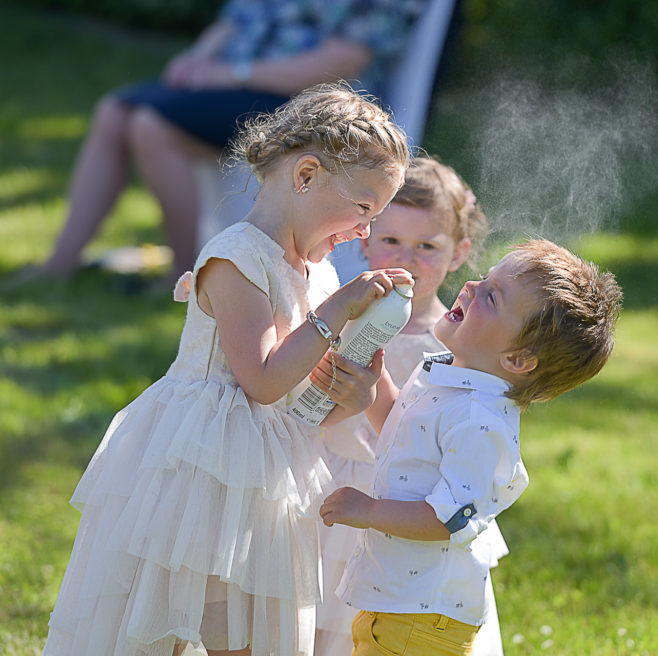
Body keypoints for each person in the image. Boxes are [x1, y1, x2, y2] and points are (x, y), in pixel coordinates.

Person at [41, 82, 412, 656]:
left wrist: (352, 395)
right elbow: (262, 380)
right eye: (363, 208)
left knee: (249, 633)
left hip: (268, 474)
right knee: (170, 623)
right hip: (200, 466)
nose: (364, 231)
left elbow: (300, 399)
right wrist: (336, 312)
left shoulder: (322, 276)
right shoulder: (235, 257)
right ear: (306, 175)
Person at [320, 239, 623, 656]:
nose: (471, 286)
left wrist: (369, 512)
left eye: (491, 296)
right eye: (485, 278)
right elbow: (403, 431)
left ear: (517, 359)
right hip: (398, 600)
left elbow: (446, 518)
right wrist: (378, 385)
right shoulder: (449, 374)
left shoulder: (480, 420)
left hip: (422, 617)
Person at [34, 0, 427, 280]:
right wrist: (196, 61)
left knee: (151, 126)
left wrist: (230, 73)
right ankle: (61, 261)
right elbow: (232, 21)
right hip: (230, 81)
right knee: (114, 111)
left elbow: (340, 62)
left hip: (305, 102)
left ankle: (184, 271)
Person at [315, 157, 510, 656]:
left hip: (402, 498)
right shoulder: (342, 310)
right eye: (391, 241)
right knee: (314, 603)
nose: (408, 258)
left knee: (365, 612)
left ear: (458, 253)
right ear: (364, 240)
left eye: (427, 246)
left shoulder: (459, 340)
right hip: (331, 473)